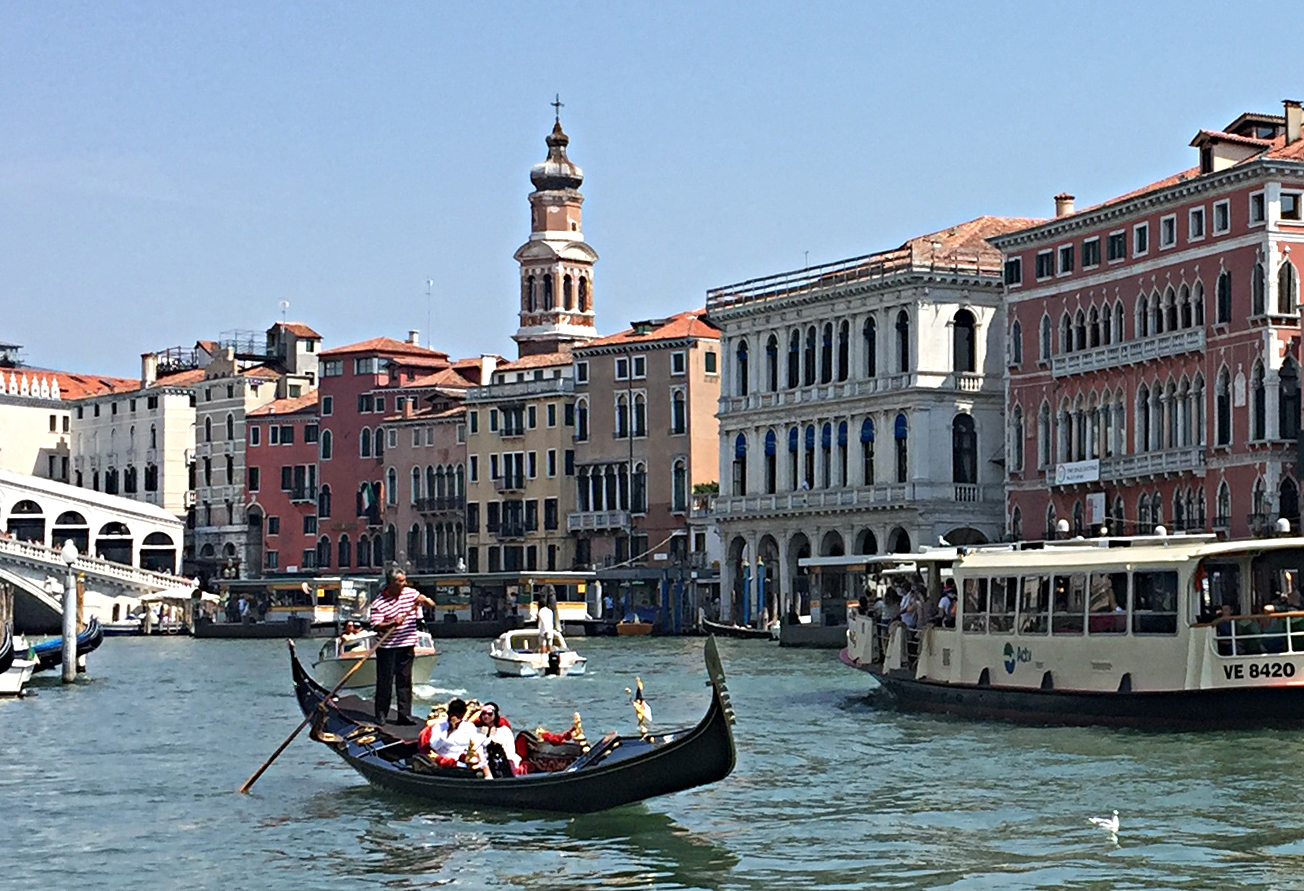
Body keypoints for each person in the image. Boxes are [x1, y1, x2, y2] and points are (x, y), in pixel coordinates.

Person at [370, 567, 435, 725]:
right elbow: (376, 626)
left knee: (404, 680)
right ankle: (381, 715)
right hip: (386, 647)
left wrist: (424, 600)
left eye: (405, 580)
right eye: (401, 581)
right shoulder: (379, 603)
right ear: (391, 583)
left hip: (406, 644)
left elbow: (431, 604)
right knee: (385, 681)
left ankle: (404, 715)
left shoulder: (411, 593)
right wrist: (392, 623)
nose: (405, 583)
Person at [418, 698, 490, 777]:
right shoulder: (439, 727)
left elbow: (477, 743)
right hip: (445, 761)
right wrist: (449, 730)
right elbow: (434, 745)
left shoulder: (469, 727)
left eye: (458, 715)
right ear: (448, 713)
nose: (454, 718)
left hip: (464, 762)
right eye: (452, 714)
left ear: (463, 714)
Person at [473, 701, 522, 777]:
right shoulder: (476, 730)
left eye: (489, 714)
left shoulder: (504, 731)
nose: (486, 716)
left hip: (500, 761)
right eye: (483, 714)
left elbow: (510, 751)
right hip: (480, 762)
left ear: (495, 715)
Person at [537, 589, 557, 654]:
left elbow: (542, 621)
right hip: (550, 630)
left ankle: (543, 656)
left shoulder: (541, 611)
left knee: (543, 645)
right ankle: (551, 655)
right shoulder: (550, 611)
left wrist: (542, 630)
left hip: (544, 630)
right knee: (550, 645)